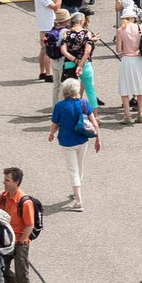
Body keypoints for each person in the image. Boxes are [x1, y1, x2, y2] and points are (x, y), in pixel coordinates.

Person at [47, 82, 100, 211]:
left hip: (67, 142)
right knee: (80, 166)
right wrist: (98, 139)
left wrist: (51, 134)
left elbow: (55, 124)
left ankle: (79, 201)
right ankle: (77, 191)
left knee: (73, 170)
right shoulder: (84, 103)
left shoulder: (60, 106)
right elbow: (94, 123)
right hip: (82, 139)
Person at [0, 167, 40, 283]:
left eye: (7, 180)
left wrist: (20, 243)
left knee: (22, 276)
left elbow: (30, 225)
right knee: (0, 269)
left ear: (16, 183)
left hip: (20, 242)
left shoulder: (25, 202)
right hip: (6, 240)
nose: (3, 182)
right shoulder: (3, 196)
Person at [115, 8, 142, 123]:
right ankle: (140, 112)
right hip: (139, 59)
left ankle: (127, 115)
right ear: (133, 18)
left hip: (127, 59)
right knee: (140, 87)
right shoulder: (140, 27)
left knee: (125, 88)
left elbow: (118, 49)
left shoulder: (120, 30)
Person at [59, 12, 100, 107]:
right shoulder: (86, 33)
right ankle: (95, 115)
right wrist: (80, 64)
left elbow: (64, 51)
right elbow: (87, 52)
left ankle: (71, 112)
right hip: (85, 63)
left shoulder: (66, 33)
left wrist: (75, 61)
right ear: (81, 21)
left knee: (69, 90)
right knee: (90, 90)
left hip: (69, 63)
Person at [33, 0, 62, 82]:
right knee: (47, 51)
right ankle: (48, 74)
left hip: (43, 26)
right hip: (47, 27)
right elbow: (56, 7)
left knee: (43, 50)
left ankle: (42, 72)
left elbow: (51, 5)